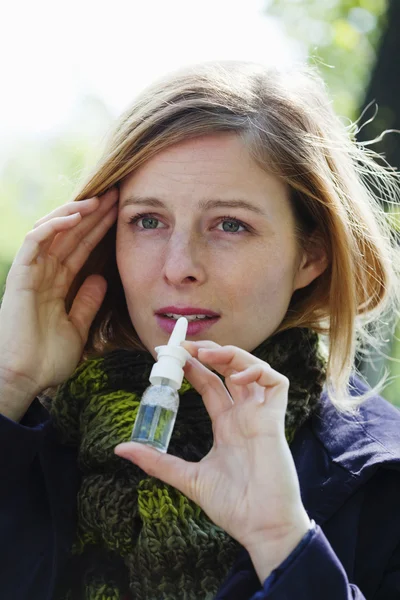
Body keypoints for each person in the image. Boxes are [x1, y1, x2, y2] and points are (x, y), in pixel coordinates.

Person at [1, 60, 400, 600]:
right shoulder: (30, 428)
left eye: (230, 225)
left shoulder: (382, 480)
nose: (178, 265)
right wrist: (8, 385)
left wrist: (283, 543)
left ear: (311, 254)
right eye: (148, 220)